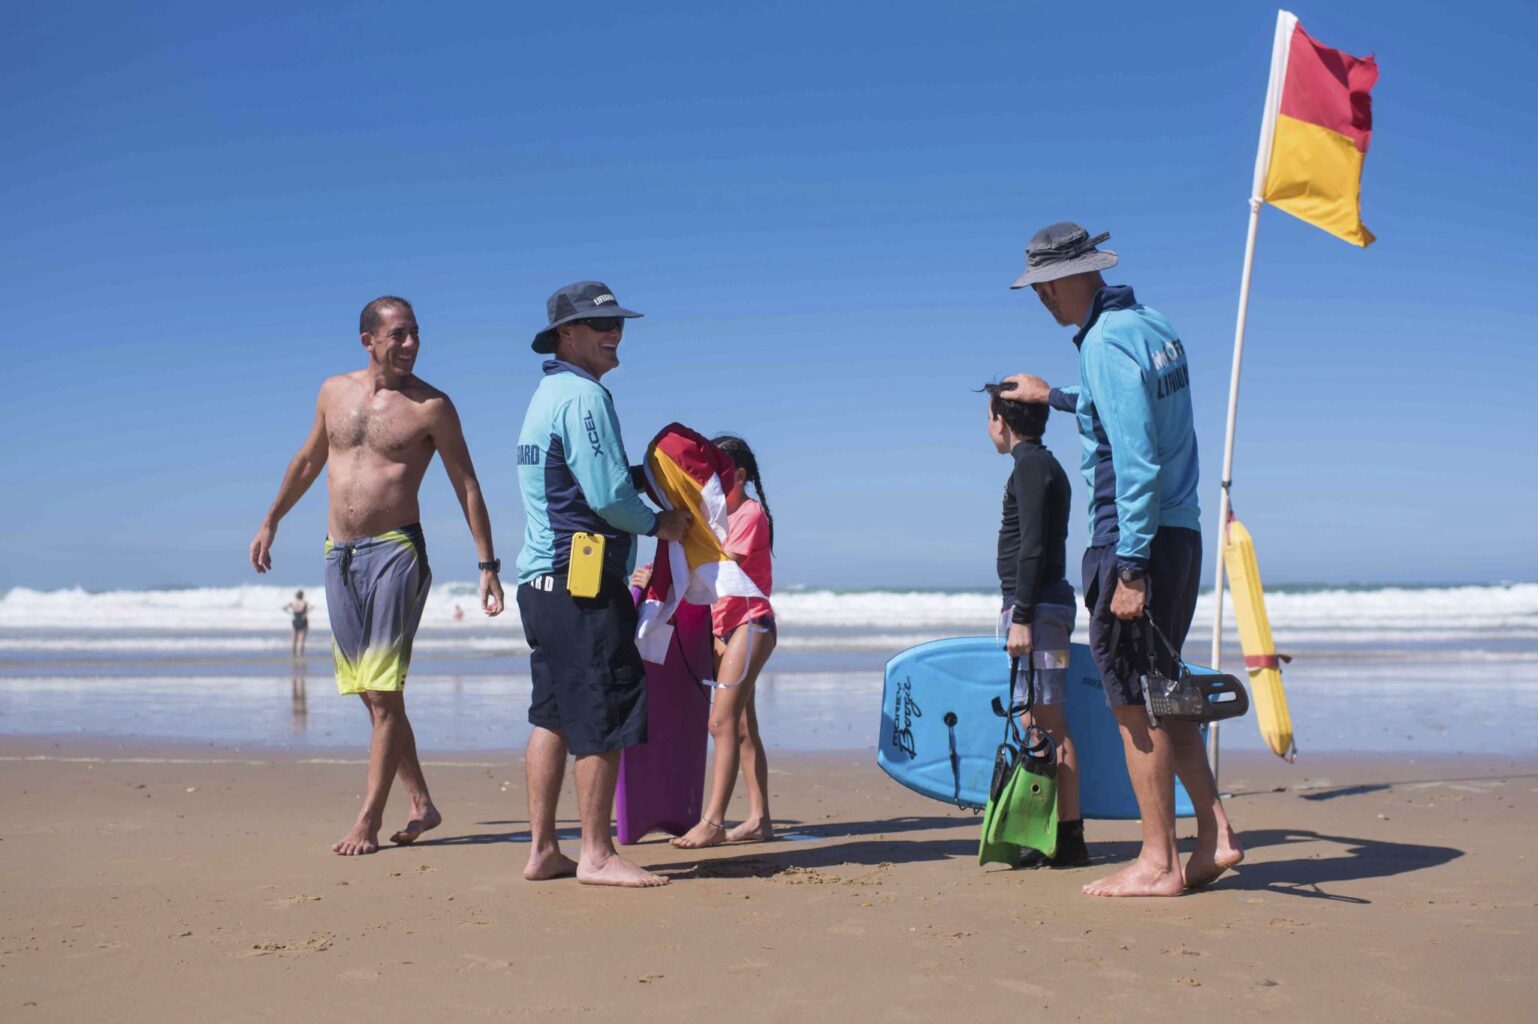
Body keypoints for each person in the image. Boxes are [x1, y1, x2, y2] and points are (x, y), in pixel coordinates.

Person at [1004, 222, 1242, 897]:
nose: (1044, 298)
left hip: (1134, 538)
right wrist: (1053, 397)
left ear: (1078, 275)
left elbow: (1134, 456)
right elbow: (1125, 412)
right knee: (1167, 698)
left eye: (1048, 284)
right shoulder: (1150, 325)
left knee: (1135, 706)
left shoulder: (1105, 343)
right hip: (1180, 532)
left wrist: (1130, 566)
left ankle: (1158, 860)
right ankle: (1216, 834)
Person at [249, 295, 505, 856]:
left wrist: (487, 565)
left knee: (384, 693)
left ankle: (367, 819)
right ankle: (421, 803)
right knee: (370, 692)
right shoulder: (332, 392)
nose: (411, 345)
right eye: (399, 336)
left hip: (396, 553)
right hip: (338, 554)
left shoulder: (432, 406)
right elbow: (309, 460)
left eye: (415, 334)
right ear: (369, 341)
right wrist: (271, 519)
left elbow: (467, 485)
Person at [513, 281, 691, 889]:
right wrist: (659, 523)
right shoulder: (585, 396)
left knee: (554, 716)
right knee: (604, 709)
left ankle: (543, 850)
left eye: (618, 322)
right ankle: (595, 853)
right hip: (580, 580)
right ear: (567, 334)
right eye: (600, 324)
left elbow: (585, 476)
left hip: (539, 582)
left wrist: (645, 474)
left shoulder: (545, 394)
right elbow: (608, 497)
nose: (614, 333)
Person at [981, 379, 1087, 867]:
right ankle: (1050, 834)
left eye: (989, 417)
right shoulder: (1042, 466)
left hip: (1038, 610)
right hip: (1041, 607)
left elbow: (1034, 547)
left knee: (1048, 723)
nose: (989, 427)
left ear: (1002, 421)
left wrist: (1020, 616)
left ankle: (1067, 840)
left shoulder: (1030, 467)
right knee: (1035, 721)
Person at [670, 434, 778, 849]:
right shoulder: (712, 518)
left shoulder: (750, 514)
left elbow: (717, 567)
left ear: (741, 475)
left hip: (752, 625)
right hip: (724, 630)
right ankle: (759, 819)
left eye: (718, 472)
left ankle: (713, 822)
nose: (710, 481)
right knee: (745, 727)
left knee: (721, 722)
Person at [286, 590, 310, 658]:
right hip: (303, 621)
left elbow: (284, 608)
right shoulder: (304, 603)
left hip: (295, 620)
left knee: (294, 640)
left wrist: (290, 613)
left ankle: (293, 655)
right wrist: (305, 613)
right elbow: (312, 607)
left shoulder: (293, 603)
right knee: (301, 640)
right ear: (302, 596)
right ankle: (300, 655)